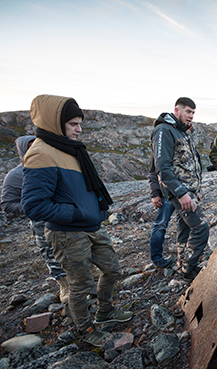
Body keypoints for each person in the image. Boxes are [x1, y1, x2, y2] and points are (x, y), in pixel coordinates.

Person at [22, 94, 132, 346]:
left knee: (113, 270)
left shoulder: (71, 149)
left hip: (92, 226)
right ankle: (85, 329)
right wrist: (77, 214)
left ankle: (104, 312)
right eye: (73, 124)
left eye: (79, 123)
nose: (79, 129)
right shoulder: (41, 153)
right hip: (67, 233)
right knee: (80, 284)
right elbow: (34, 205)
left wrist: (98, 211)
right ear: (55, 123)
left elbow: (85, 189)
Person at [1, 135, 69, 303]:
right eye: (31, 147)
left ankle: (86, 272)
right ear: (23, 150)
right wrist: (34, 208)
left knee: (75, 243)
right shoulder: (16, 175)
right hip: (41, 222)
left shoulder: (55, 166)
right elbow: (7, 204)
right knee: (49, 251)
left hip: (63, 215)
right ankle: (64, 284)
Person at [152, 97, 209, 280]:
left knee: (185, 229)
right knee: (201, 228)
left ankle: (181, 264)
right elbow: (162, 167)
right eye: (188, 112)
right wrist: (182, 193)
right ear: (177, 110)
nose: (191, 116)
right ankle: (188, 269)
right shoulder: (164, 130)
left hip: (188, 190)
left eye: (193, 112)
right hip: (179, 192)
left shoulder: (182, 132)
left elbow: (189, 165)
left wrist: (195, 189)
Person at [148, 152, 177, 268]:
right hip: (165, 195)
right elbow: (152, 173)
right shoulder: (160, 146)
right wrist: (154, 194)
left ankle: (186, 256)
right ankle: (157, 258)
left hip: (184, 193)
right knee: (160, 225)